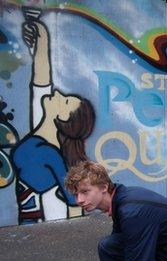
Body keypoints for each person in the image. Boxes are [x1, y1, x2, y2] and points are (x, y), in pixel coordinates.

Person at [11, 19, 95, 223]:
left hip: (36, 220)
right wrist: (43, 40)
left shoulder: (50, 153)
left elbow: (73, 199)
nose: (57, 92)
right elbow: (41, 78)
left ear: (63, 117)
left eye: (64, 100)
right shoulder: (43, 126)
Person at [65, 161, 167, 260]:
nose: (79, 200)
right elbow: (120, 236)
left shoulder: (131, 211)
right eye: (75, 195)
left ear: (104, 187)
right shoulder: (120, 198)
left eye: (85, 192)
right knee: (108, 245)